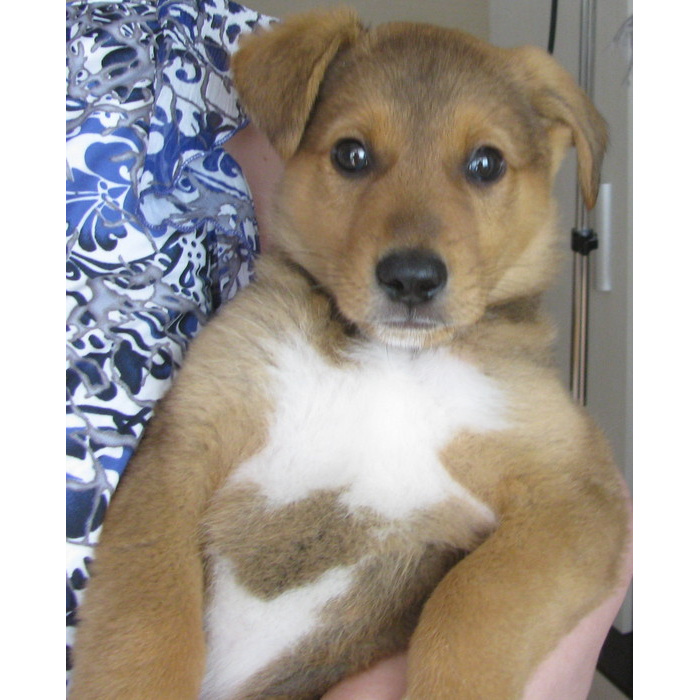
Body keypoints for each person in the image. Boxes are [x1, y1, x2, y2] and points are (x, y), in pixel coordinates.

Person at [66, 1, 631, 696]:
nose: (415, 251)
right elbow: (166, 484)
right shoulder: (261, 334)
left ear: (554, 147)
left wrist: (468, 663)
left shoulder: (516, 389)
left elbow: (583, 513)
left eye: (483, 166)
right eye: (354, 156)